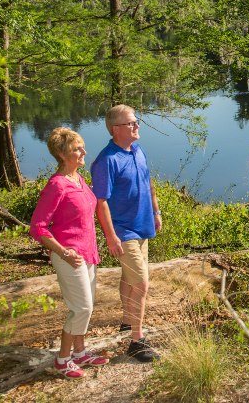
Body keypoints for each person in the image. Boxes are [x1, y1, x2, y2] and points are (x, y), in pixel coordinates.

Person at [29, 128, 109, 379]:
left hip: (87, 254)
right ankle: (63, 360)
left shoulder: (79, 180)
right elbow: (38, 228)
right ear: (63, 154)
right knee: (81, 308)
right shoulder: (57, 185)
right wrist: (63, 252)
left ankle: (80, 352)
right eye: (77, 149)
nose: (83, 151)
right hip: (69, 257)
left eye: (83, 147)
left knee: (87, 306)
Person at [91, 104, 161, 362]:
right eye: (131, 123)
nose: (136, 126)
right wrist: (111, 236)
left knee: (129, 279)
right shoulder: (106, 160)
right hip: (124, 231)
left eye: (136, 121)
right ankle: (137, 341)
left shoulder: (137, 150)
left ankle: (126, 322)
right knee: (141, 283)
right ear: (115, 129)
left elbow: (148, 180)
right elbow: (101, 202)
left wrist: (156, 212)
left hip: (143, 225)